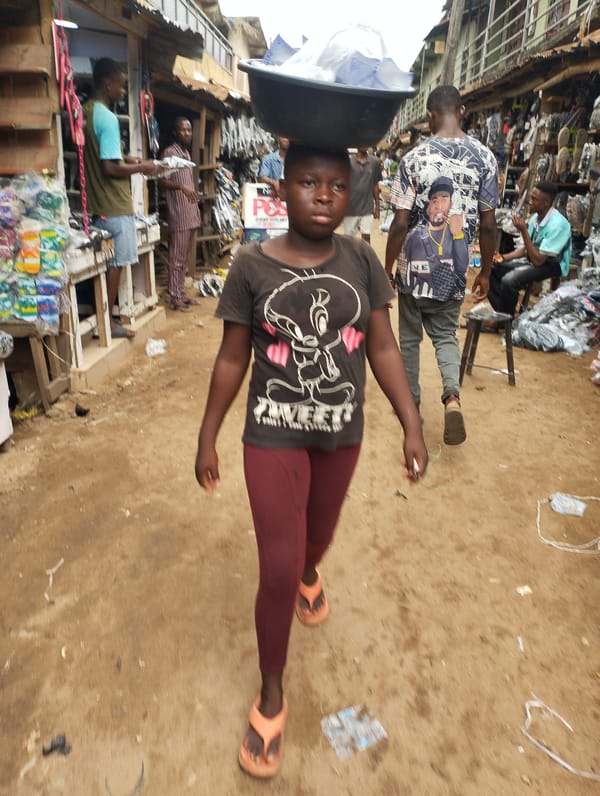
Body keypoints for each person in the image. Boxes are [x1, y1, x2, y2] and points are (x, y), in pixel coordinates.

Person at [194, 142, 428, 779]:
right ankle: (272, 692)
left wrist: (412, 423)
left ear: (350, 190)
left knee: (313, 545)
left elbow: (381, 348)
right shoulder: (249, 265)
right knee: (276, 561)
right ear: (283, 187)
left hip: (339, 435)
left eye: (334, 184)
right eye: (306, 182)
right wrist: (208, 434)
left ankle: (309, 574)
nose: (322, 195)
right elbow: (231, 358)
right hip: (270, 435)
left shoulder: (360, 260)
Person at [384, 84, 499, 445]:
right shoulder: (485, 158)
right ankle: (452, 399)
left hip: (412, 270)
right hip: (453, 270)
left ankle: (411, 411)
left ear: (429, 117)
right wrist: (486, 272)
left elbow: (401, 223)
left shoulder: (412, 159)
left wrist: (387, 267)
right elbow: (490, 223)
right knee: (446, 336)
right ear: (462, 110)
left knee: (409, 339)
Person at [83, 57, 161, 338]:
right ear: (107, 83)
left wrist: (128, 157)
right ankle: (108, 324)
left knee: (100, 265)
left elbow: (104, 155)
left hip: (97, 204)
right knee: (115, 265)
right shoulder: (109, 118)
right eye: (121, 84)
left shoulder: (87, 111)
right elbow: (110, 167)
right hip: (115, 205)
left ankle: (100, 319)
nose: (122, 90)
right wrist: (143, 167)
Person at [486, 180, 572, 321]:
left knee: (509, 280)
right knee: (489, 269)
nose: (529, 202)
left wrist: (524, 230)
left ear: (546, 202)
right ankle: (506, 316)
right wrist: (503, 257)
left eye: (534, 199)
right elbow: (527, 249)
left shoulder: (558, 224)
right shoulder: (535, 219)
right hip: (535, 259)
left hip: (552, 265)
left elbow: (539, 261)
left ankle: (503, 321)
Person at [158, 117, 201, 312]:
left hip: (191, 212)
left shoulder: (186, 153)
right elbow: (162, 181)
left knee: (184, 258)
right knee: (177, 258)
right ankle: (175, 297)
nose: (187, 133)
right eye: (183, 130)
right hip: (179, 214)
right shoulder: (170, 153)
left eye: (189, 130)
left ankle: (181, 293)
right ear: (175, 132)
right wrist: (181, 186)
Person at [342, 146, 382, 244]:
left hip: (367, 208)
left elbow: (375, 186)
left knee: (366, 238)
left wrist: (377, 207)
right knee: (349, 240)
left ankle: (366, 259)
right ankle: (350, 259)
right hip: (350, 209)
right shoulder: (348, 162)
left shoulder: (374, 162)